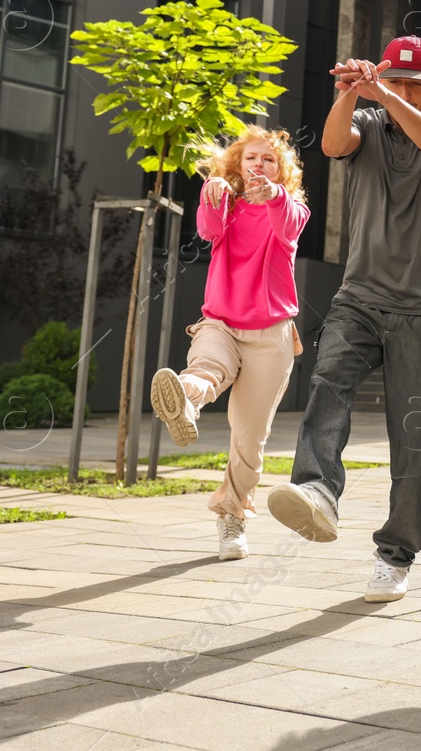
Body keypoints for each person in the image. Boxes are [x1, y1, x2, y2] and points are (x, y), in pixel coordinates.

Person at [267, 35, 421, 602]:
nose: (401, 91)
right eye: (394, 80)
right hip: (358, 297)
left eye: (413, 83)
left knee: (413, 441)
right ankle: (316, 492)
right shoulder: (367, 120)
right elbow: (335, 144)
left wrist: (382, 89)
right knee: (329, 382)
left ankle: (396, 555)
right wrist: (348, 93)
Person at [150, 125, 309, 562]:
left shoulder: (291, 208)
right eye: (251, 158)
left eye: (269, 160)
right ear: (237, 166)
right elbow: (207, 229)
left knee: (249, 439)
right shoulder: (225, 205)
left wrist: (273, 196)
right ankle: (183, 398)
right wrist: (210, 192)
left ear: (282, 171)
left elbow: (289, 222)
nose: (260, 165)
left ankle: (232, 516)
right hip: (220, 321)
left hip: (271, 335)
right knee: (204, 369)